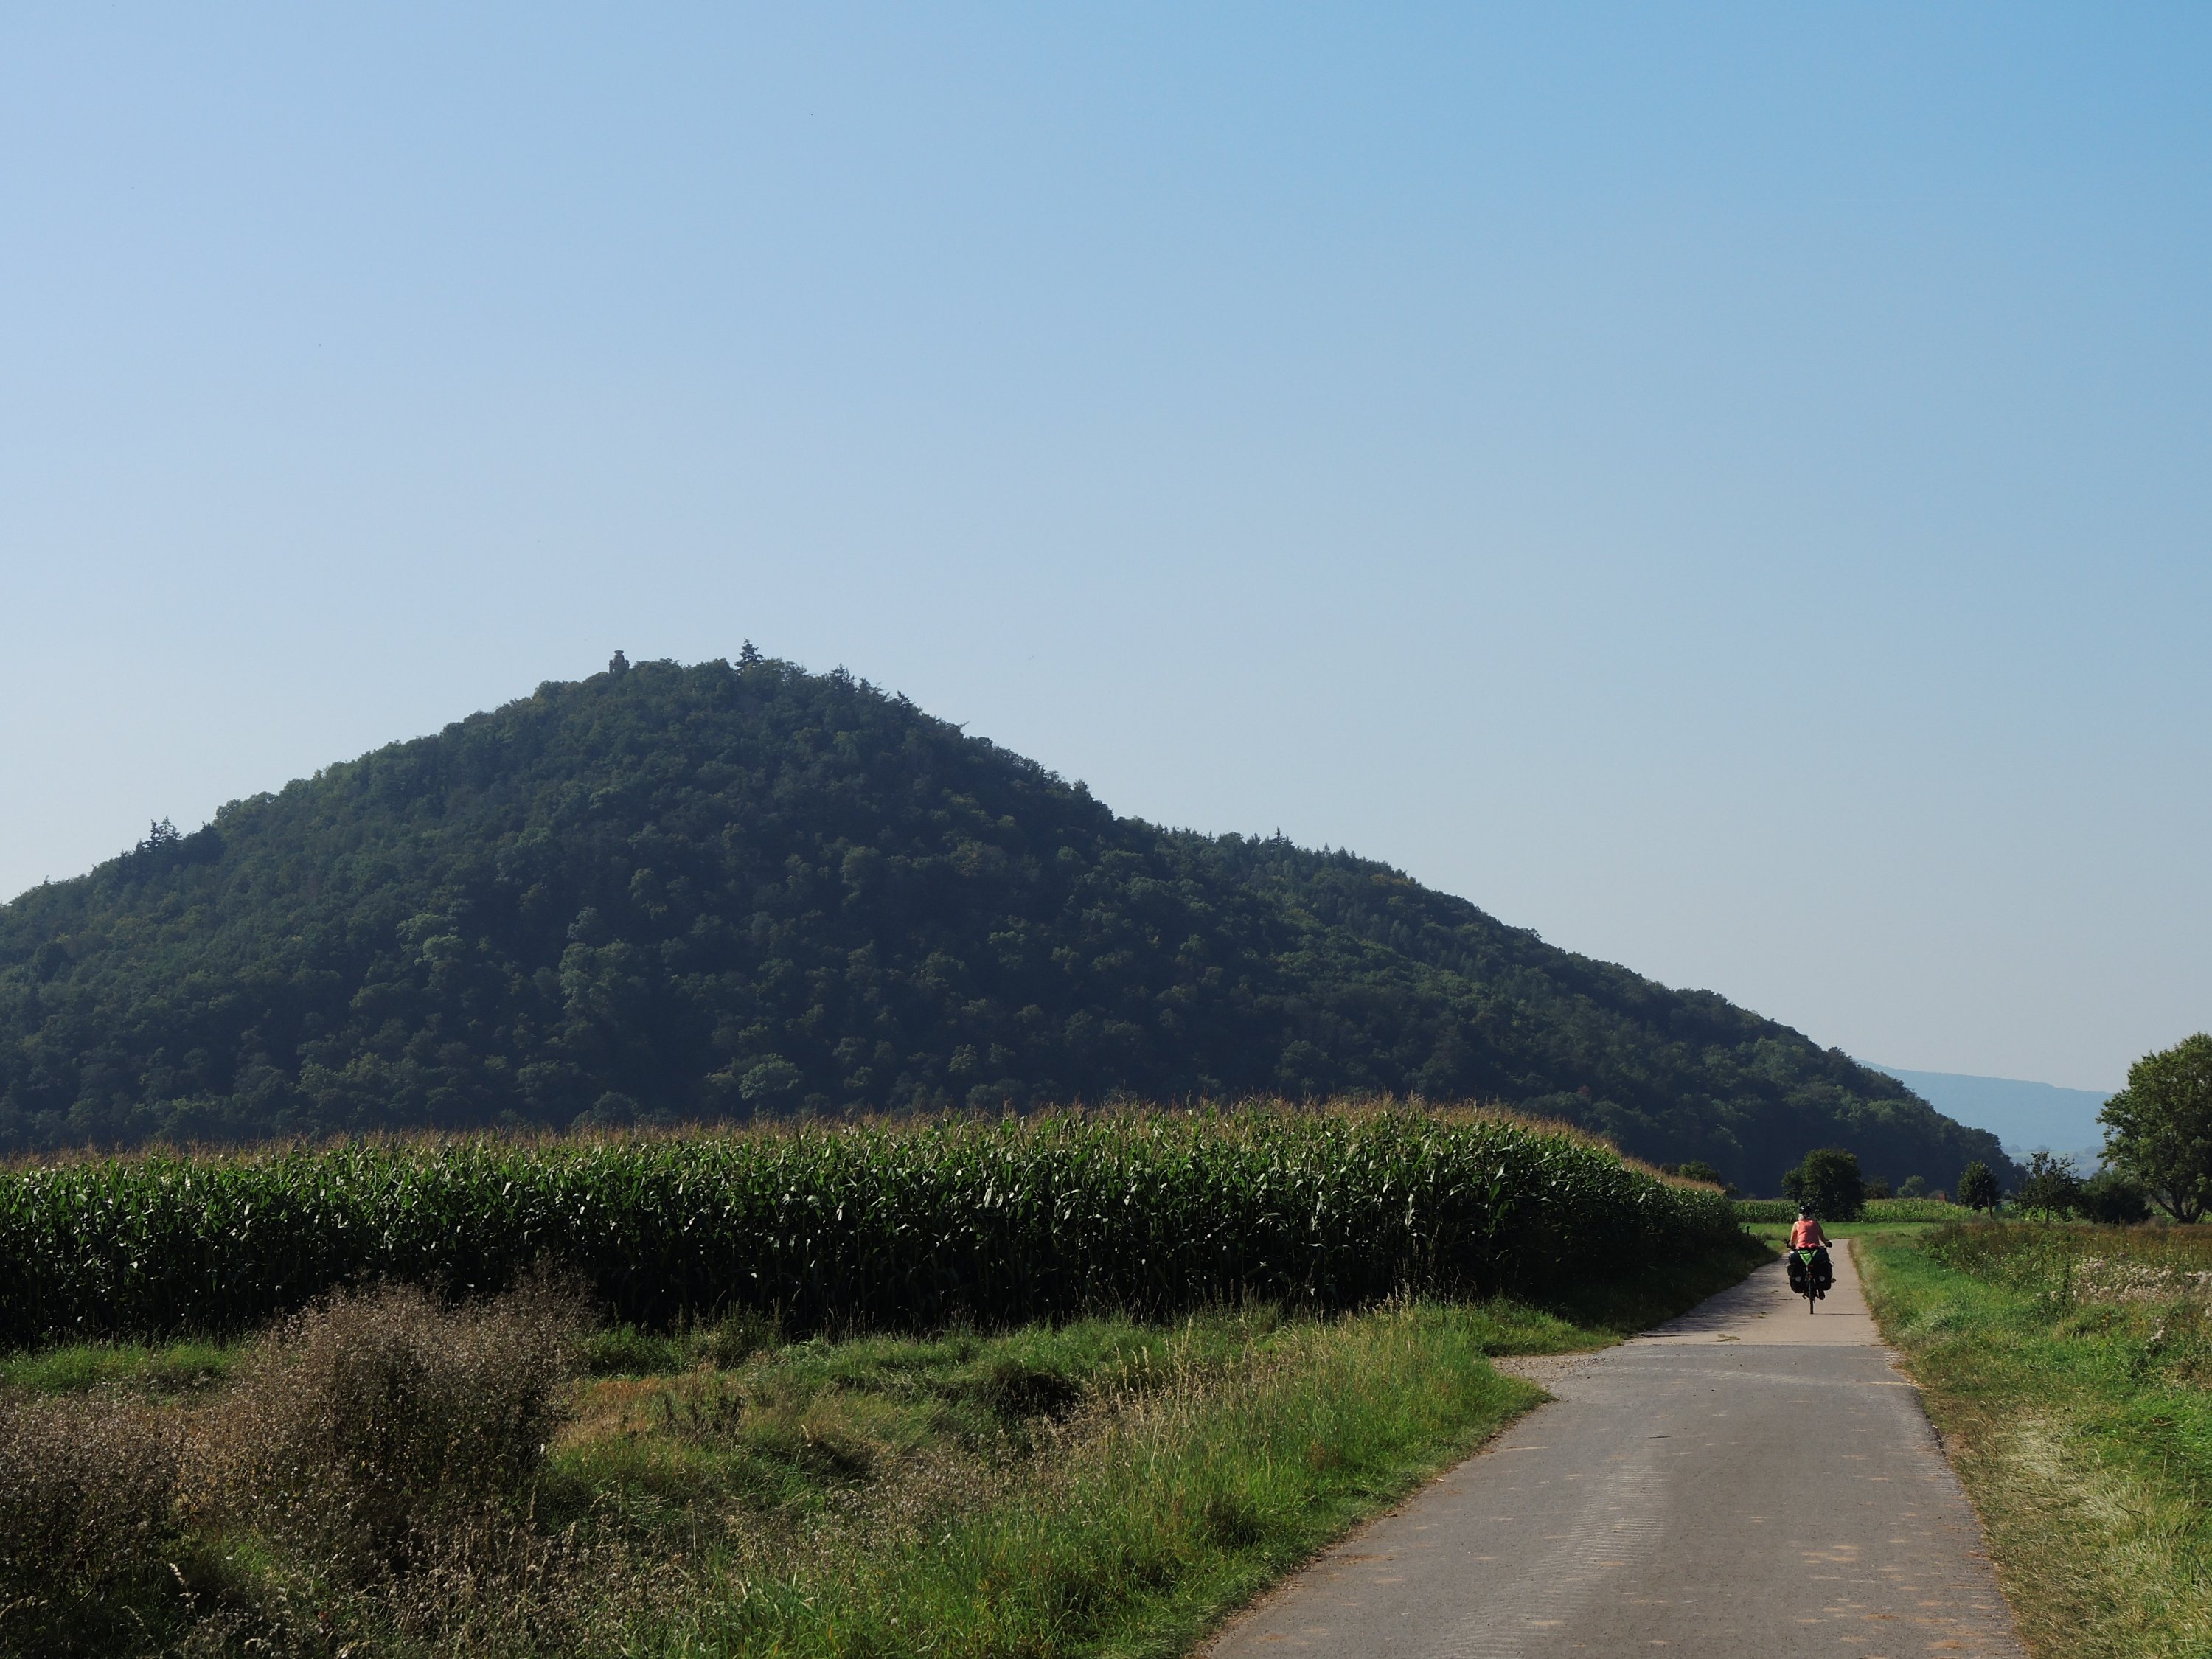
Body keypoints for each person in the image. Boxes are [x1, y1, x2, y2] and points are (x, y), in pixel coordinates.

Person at [1787, 1206, 1834, 1296]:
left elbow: (1793, 1239)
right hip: (1815, 1249)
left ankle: (1803, 1286)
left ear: (1800, 1215)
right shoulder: (1816, 1224)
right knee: (1819, 1265)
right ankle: (1820, 1289)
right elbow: (1822, 1237)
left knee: (1800, 1266)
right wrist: (1827, 1243)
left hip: (1801, 1249)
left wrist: (1791, 1245)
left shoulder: (1797, 1224)